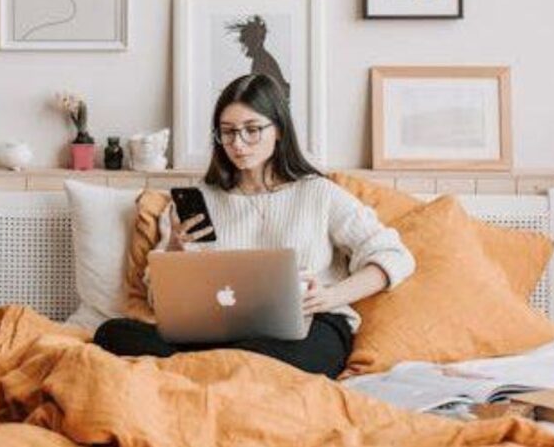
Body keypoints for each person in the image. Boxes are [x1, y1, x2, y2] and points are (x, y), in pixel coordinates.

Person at [93, 74, 415, 379]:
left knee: (278, 357)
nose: (238, 143)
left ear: (279, 131)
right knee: (112, 334)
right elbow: (157, 299)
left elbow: (394, 255)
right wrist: (176, 248)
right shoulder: (199, 200)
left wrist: (331, 296)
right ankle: (227, 369)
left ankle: (206, 370)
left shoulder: (319, 193)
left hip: (307, 328)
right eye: (228, 131)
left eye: (251, 129)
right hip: (217, 332)